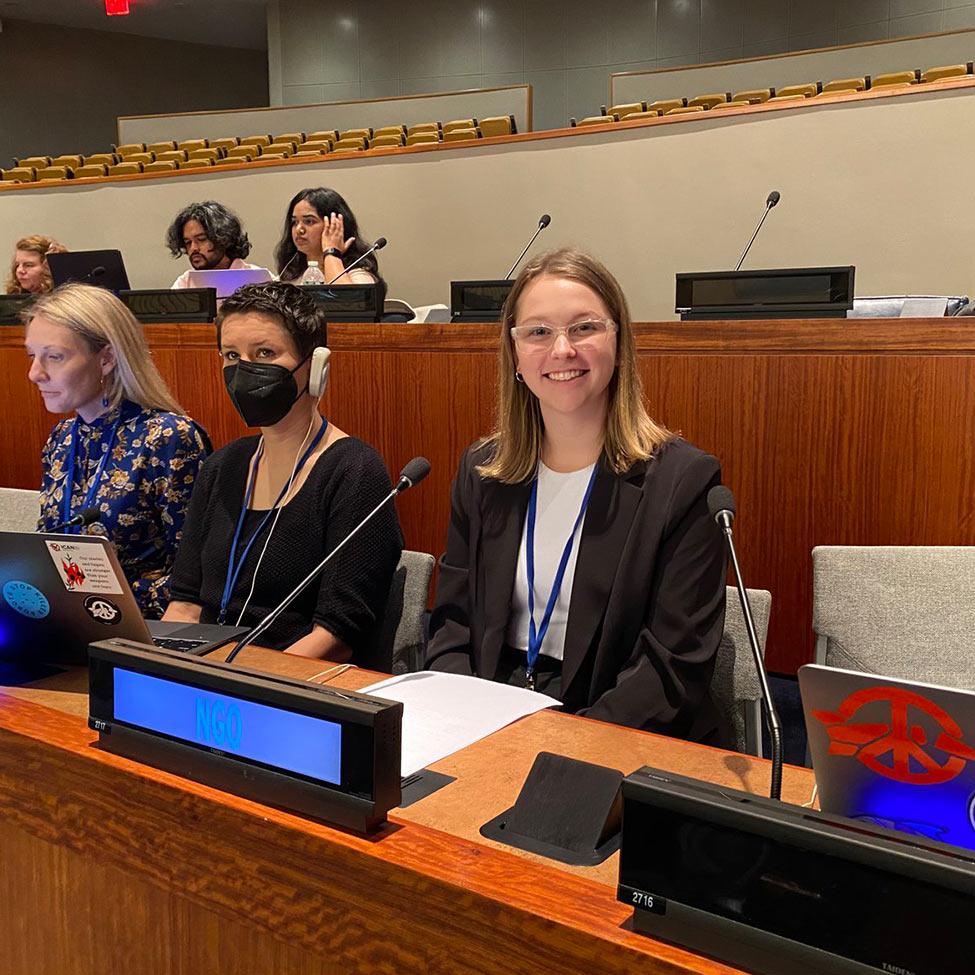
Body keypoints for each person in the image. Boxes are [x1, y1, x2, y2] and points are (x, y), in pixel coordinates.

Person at [425, 249, 728, 743]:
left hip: (616, 725)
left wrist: (565, 748)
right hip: (494, 714)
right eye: (539, 332)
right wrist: (462, 725)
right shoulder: (483, 471)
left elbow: (670, 671)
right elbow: (453, 627)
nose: (562, 350)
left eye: (584, 328)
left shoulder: (683, 482)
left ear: (618, 342)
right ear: (515, 353)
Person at [164, 282, 402, 660]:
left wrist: (247, 683)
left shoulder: (353, 471)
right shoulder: (221, 467)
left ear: (316, 366)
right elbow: (186, 604)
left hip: (289, 688)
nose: (244, 370)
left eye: (265, 353)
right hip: (206, 681)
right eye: (231, 355)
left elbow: (338, 634)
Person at [25, 284, 210, 618]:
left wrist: (104, 599)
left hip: (143, 633)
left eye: (54, 356)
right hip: (68, 624)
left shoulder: (167, 437)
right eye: (32, 356)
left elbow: (195, 578)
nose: (35, 373)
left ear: (107, 357)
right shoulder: (62, 439)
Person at [274, 187, 383, 289]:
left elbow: (348, 302)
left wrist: (332, 252)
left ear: (334, 224)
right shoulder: (289, 276)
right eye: (294, 222)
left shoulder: (358, 274)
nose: (298, 230)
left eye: (309, 221)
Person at [166, 200, 261, 288]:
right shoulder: (185, 283)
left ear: (223, 239)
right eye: (188, 242)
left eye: (201, 239)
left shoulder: (258, 279)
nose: (193, 248)